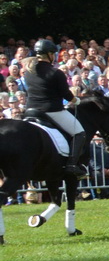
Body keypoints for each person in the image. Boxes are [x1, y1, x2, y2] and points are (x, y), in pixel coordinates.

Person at [21, 39, 84, 175]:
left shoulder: (28, 72)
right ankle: (72, 165)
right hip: (51, 111)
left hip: (30, 111)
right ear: (50, 54)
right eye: (54, 54)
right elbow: (66, 95)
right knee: (79, 133)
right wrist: (76, 100)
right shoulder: (56, 73)